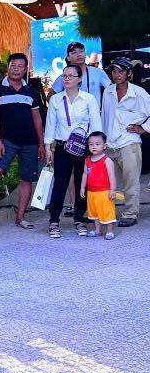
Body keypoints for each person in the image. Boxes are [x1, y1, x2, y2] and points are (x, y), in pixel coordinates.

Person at [0, 54, 46, 228]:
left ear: (25, 69)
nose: (16, 69)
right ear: (8, 67)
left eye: (20, 66)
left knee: (26, 179)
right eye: (13, 65)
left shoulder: (31, 91)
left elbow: (37, 120)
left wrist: (41, 144)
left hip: (30, 142)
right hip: (6, 141)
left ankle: (20, 217)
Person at [43, 64, 100, 238]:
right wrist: (48, 147)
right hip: (62, 147)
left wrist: (97, 148)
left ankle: (79, 219)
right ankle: (54, 221)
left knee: (82, 184)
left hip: (83, 148)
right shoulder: (56, 99)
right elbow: (51, 124)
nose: (67, 78)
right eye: (64, 75)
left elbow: (96, 124)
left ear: (79, 79)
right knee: (60, 184)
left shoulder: (89, 99)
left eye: (71, 76)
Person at [102, 56, 150, 227]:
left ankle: (130, 213)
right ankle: (107, 212)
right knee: (108, 181)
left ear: (128, 73)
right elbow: (104, 116)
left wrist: (143, 128)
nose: (116, 75)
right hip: (110, 143)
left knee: (131, 181)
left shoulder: (139, 93)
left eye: (120, 71)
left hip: (129, 142)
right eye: (114, 71)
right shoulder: (108, 92)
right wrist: (102, 140)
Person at [52, 42, 111, 110]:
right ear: (68, 58)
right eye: (74, 52)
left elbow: (112, 91)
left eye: (81, 51)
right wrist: (63, 111)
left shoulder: (98, 72)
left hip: (94, 115)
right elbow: (51, 97)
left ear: (85, 55)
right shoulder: (64, 77)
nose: (79, 54)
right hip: (73, 116)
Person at [81, 132, 118, 239]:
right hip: (91, 192)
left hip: (104, 192)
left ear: (104, 146)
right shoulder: (87, 160)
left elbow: (112, 176)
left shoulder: (107, 160)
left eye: (97, 144)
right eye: (91, 144)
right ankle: (98, 230)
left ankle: (109, 231)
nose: (94, 147)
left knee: (107, 211)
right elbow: (85, 174)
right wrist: (82, 187)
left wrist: (112, 190)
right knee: (94, 212)